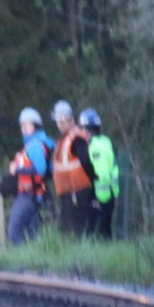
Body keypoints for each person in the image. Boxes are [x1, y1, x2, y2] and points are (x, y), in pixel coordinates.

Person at [7, 107, 55, 245]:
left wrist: (17, 170)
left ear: (35, 126)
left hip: (29, 194)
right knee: (32, 232)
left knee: (14, 230)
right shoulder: (40, 143)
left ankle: (21, 260)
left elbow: (40, 169)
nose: (23, 129)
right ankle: (32, 260)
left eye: (26, 125)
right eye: (22, 126)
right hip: (37, 194)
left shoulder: (35, 145)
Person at [51, 100, 97, 236]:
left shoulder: (76, 138)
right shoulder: (63, 140)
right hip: (68, 194)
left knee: (79, 231)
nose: (58, 124)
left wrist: (92, 187)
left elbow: (86, 163)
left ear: (66, 119)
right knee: (67, 231)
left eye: (59, 121)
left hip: (78, 194)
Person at [83, 108, 119, 239]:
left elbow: (101, 174)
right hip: (109, 195)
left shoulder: (95, 148)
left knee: (95, 235)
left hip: (99, 197)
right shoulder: (106, 142)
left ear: (86, 130)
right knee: (106, 232)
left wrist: (94, 198)